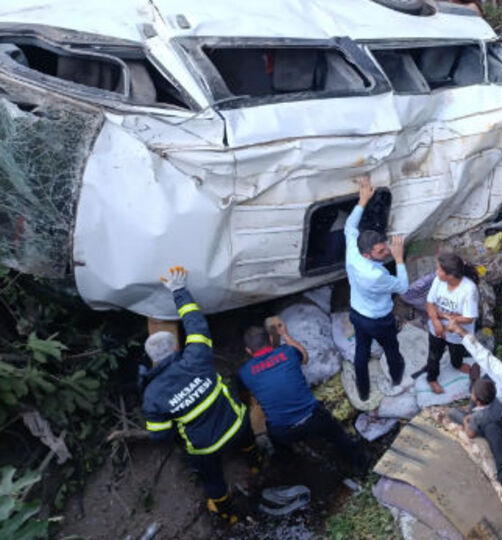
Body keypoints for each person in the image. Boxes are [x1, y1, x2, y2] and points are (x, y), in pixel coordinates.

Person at [139, 266, 254, 524]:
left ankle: (226, 511)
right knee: (246, 433)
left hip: (206, 447)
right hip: (237, 423)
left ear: (152, 361)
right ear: (175, 347)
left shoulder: (153, 395)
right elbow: (196, 324)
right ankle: (255, 460)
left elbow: (161, 436)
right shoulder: (197, 357)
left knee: (211, 478)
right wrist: (179, 291)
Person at [236, 324, 367, 472]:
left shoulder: (244, 372)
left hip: (284, 431)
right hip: (314, 419)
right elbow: (304, 356)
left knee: (276, 440)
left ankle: (290, 467)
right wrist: (285, 335)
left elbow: (244, 396)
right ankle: (360, 467)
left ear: (248, 351)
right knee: (338, 435)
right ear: (271, 340)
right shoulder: (288, 352)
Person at [345, 176, 408, 402]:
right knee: (392, 349)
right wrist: (399, 260)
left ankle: (363, 391)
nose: (387, 253)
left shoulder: (353, 250)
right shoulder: (376, 275)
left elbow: (350, 226)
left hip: (357, 313)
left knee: (361, 351)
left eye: (386, 249)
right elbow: (402, 286)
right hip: (379, 320)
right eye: (381, 252)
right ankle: (397, 378)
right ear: (367, 254)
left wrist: (363, 200)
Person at [425, 252, 480, 394]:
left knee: (456, 350)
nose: (436, 272)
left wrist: (450, 319)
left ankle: (457, 364)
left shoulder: (469, 289)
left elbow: (469, 317)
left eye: (439, 269)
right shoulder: (438, 280)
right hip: (437, 328)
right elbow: (430, 303)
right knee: (434, 355)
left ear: (450, 275)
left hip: (456, 331)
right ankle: (432, 378)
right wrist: (437, 322)